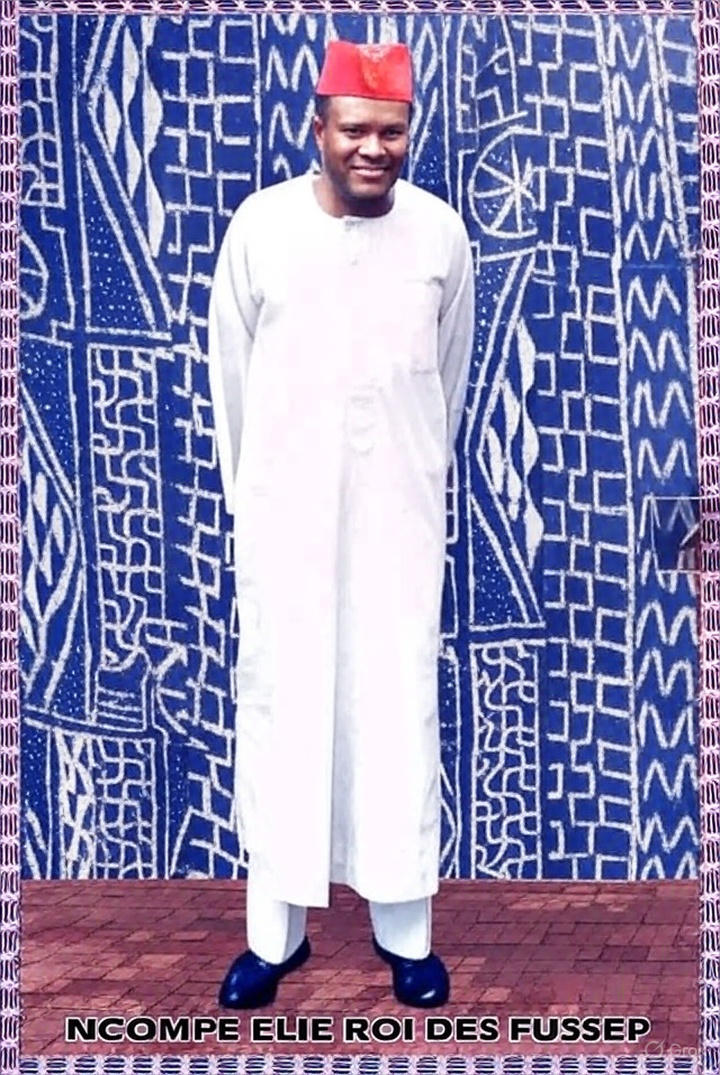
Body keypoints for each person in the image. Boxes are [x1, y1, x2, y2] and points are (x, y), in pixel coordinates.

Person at [208, 39, 475, 1010]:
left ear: (409, 134)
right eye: (355, 129)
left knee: (395, 713)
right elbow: (231, 383)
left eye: (392, 131)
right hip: (284, 529)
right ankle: (272, 940)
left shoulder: (440, 236)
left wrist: (407, 477)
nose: (373, 148)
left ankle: (407, 937)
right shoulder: (260, 229)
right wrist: (259, 509)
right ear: (316, 127)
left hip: (398, 525)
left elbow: (447, 377)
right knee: (285, 713)